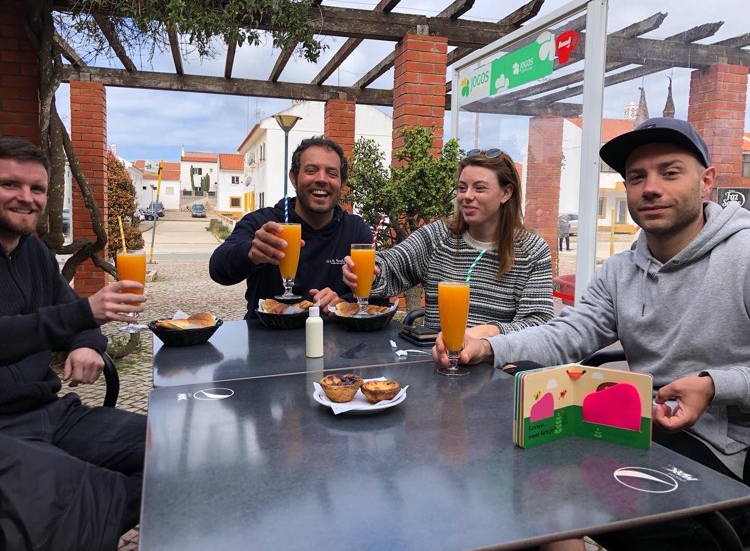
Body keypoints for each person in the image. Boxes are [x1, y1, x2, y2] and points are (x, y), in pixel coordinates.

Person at [434, 118, 750, 550]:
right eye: (637, 177)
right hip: (637, 428)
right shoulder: (621, 270)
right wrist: (488, 345)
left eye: (670, 172)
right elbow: (568, 333)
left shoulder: (744, 256)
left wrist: (716, 386)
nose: (650, 188)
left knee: (561, 493)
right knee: (518, 452)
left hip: (722, 455)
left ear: (707, 181)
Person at [0, 135, 148, 549]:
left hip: (53, 412)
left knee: (169, 451)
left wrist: (86, 343)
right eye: (10, 185)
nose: (26, 198)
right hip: (5, 431)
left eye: (37, 189)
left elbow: (75, 318)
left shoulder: (36, 254)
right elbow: (70, 314)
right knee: (85, 495)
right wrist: (84, 314)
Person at [343, 148, 553, 337]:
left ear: (506, 193)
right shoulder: (438, 237)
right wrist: (369, 271)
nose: (467, 196)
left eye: (479, 188)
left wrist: (491, 333)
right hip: (437, 363)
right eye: (462, 188)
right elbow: (393, 264)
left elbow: (539, 324)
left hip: (496, 367)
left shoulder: (532, 251)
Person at [210, 136, 372, 318]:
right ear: (294, 178)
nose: (321, 179)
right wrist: (250, 253)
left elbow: (371, 294)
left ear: (342, 184)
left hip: (332, 342)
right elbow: (218, 270)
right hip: (266, 340)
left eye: (332, 173)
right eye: (311, 170)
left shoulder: (355, 230)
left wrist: (345, 302)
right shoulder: (264, 222)